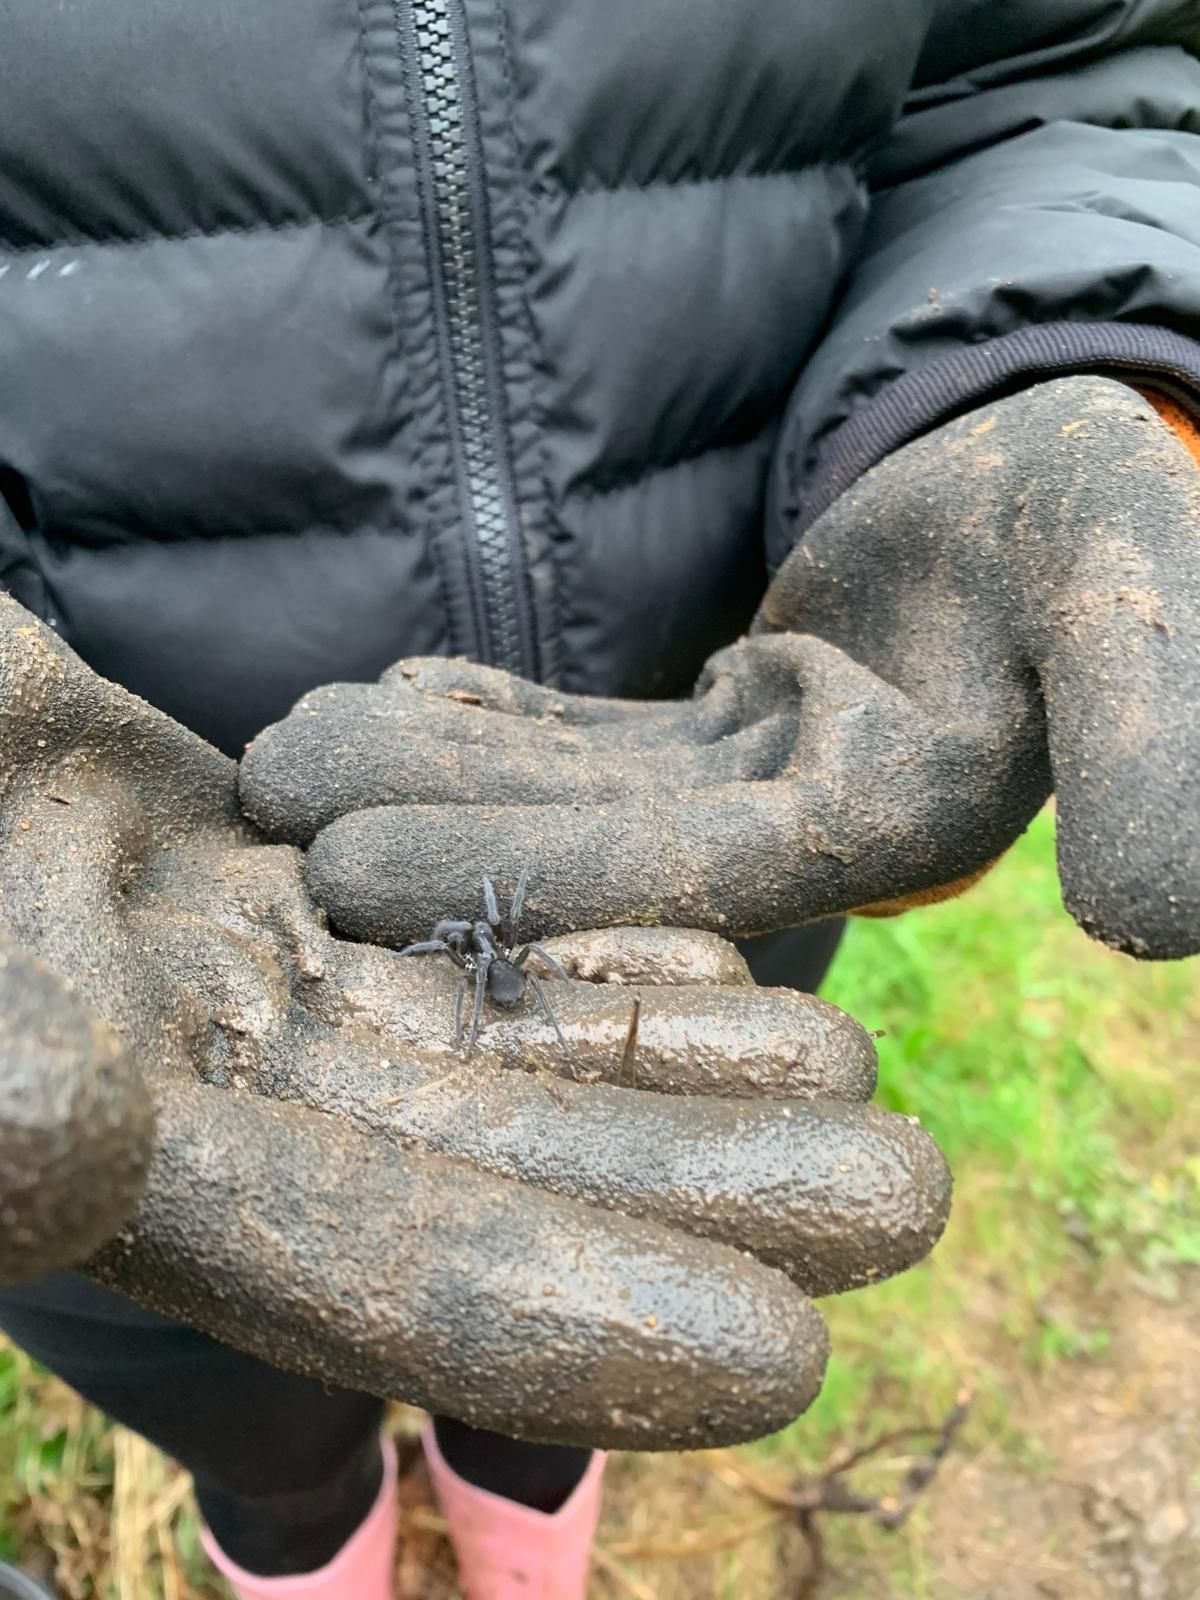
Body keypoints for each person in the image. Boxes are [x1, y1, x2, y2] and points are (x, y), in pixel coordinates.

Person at [1, 2, 1198, 1597]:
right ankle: (294, 1534)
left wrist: (1016, 370)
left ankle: (524, 1534)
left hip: (696, 835)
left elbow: (1047, 65)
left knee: (613, 1314)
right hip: (99, 930)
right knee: (221, 1365)